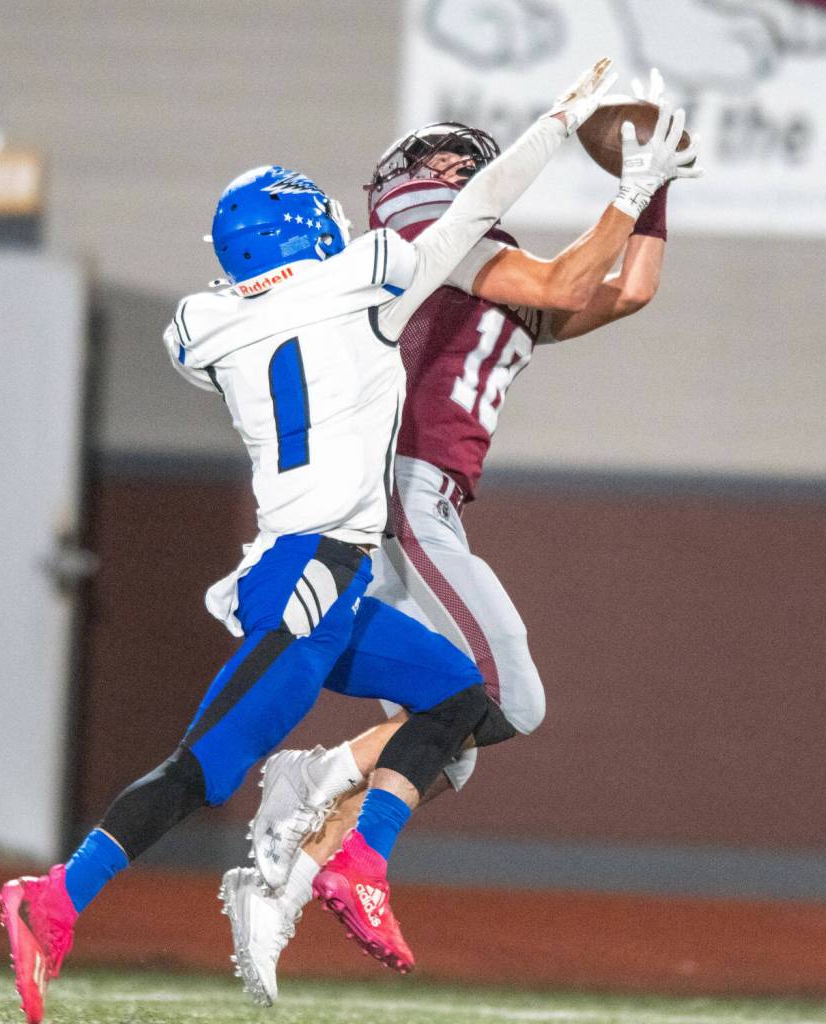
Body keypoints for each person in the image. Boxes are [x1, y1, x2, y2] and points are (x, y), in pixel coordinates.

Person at [0, 56, 628, 1024]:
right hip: (309, 579)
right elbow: (474, 208)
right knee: (200, 769)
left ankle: (361, 862)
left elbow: (243, 331)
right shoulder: (362, 286)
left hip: (310, 570)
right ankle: (53, 895)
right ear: (308, 227)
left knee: (460, 698)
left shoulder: (205, 328)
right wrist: (555, 123)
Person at [221, 75, 702, 1006]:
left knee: (450, 740)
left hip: (423, 504)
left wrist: (661, 190)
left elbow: (628, 288)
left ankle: (292, 875)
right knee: (504, 696)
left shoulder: (492, 275)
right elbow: (570, 278)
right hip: (397, 498)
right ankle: (313, 779)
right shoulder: (420, 251)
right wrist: (632, 186)